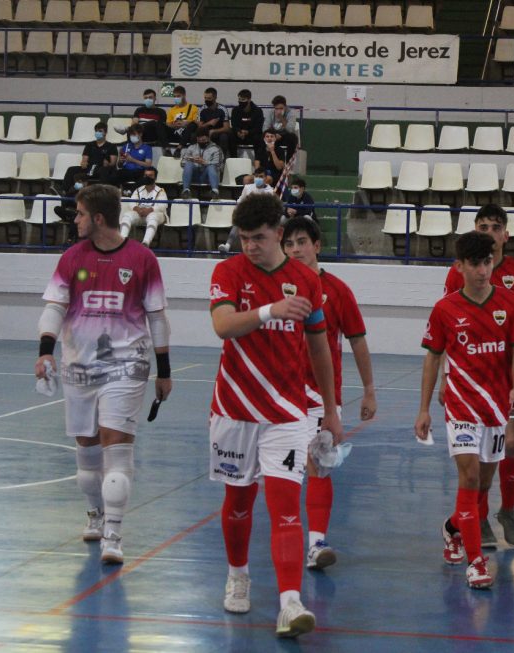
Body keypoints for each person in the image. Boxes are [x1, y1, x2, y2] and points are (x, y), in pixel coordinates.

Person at [208, 192, 343, 638]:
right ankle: (237, 573)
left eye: (259, 238)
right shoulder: (227, 271)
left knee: (285, 507)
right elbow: (223, 325)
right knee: (239, 502)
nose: (250, 246)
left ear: (280, 235)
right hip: (234, 411)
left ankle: (289, 603)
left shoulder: (306, 280)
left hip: (287, 413)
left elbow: (319, 347)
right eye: (244, 238)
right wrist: (270, 311)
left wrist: (329, 411)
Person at [35, 184, 173, 565]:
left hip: (127, 366)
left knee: (117, 448)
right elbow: (54, 308)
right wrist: (45, 353)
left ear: (97, 218)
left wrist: (164, 371)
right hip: (79, 366)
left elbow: (158, 319)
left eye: (79, 214)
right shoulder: (70, 258)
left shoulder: (142, 259)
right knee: (87, 458)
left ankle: (114, 532)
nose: (74, 220)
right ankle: (96, 514)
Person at [415, 230, 514, 589]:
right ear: (459, 267)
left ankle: (452, 528)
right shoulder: (445, 309)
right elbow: (433, 359)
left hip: (496, 407)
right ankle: (477, 562)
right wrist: (423, 409)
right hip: (461, 407)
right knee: (467, 478)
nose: (483, 270)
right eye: (475, 264)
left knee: (481, 484)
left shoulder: (510, 303)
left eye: (487, 262)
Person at [441, 204, 514, 548]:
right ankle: (477, 518)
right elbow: (447, 330)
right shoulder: (459, 273)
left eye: (495, 227)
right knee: (478, 462)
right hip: (470, 385)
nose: (489, 232)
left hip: (508, 381)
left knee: (510, 445)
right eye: (482, 226)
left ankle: (508, 510)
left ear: (506, 235)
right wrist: (445, 378)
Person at [281, 216, 377, 569]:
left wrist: (368, 390)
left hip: (322, 398)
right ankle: (287, 537)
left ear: (317, 246)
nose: (295, 250)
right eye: (288, 244)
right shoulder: (274, 289)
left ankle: (316, 543)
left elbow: (357, 340)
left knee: (319, 465)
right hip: (279, 396)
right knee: (285, 472)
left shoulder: (337, 290)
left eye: (301, 242)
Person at [118, 167, 167, 248]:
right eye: (146, 175)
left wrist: (149, 210)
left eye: (150, 175)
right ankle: (122, 241)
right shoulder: (138, 190)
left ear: (155, 177)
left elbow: (163, 205)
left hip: (156, 214)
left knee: (153, 216)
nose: (147, 177)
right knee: (127, 215)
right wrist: (138, 209)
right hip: (140, 213)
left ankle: (145, 243)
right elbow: (132, 202)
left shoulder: (160, 191)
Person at [63, 121, 118, 190]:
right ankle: (65, 191)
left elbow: (113, 163)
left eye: (100, 131)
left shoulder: (111, 146)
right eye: (96, 131)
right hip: (89, 168)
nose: (98, 133)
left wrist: (108, 164)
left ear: (105, 133)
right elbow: (85, 159)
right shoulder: (89, 145)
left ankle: (102, 192)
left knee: (104, 171)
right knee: (71, 169)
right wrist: (84, 163)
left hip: (101, 169)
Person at [180, 127, 223, 200]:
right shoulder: (191, 148)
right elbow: (182, 163)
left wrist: (204, 162)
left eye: (204, 140)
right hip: (194, 175)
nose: (202, 142)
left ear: (208, 138)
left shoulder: (216, 149)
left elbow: (218, 165)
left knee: (211, 167)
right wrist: (192, 160)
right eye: (199, 140)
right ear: (197, 139)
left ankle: (215, 191)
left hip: (207, 176)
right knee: (189, 164)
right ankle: (186, 191)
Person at [109, 124, 153, 191]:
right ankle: (117, 193)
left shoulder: (147, 148)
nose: (132, 136)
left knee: (147, 179)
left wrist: (133, 160)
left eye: (134, 134)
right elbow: (119, 165)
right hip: (126, 171)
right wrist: (121, 161)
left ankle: (131, 191)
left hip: (139, 172)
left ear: (140, 134)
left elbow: (148, 164)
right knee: (113, 176)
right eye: (131, 135)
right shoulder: (126, 147)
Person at [225, 88, 264, 157]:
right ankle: (234, 159)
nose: (240, 101)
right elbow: (234, 125)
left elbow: (258, 127)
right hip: (239, 135)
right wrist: (238, 132)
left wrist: (247, 132)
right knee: (230, 135)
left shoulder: (257, 111)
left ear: (249, 99)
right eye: (239, 99)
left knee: (259, 137)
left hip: (252, 135)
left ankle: (258, 161)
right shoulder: (235, 110)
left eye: (243, 100)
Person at [165, 85, 199, 156]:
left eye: (178, 96)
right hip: (175, 132)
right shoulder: (172, 110)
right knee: (160, 124)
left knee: (192, 125)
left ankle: (179, 149)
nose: (176, 98)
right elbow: (168, 124)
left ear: (184, 95)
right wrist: (174, 125)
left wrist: (186, 123)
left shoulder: (193, 108)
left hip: (186, 132)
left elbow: (197, 122)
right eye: (174, 96)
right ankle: (167, 149)